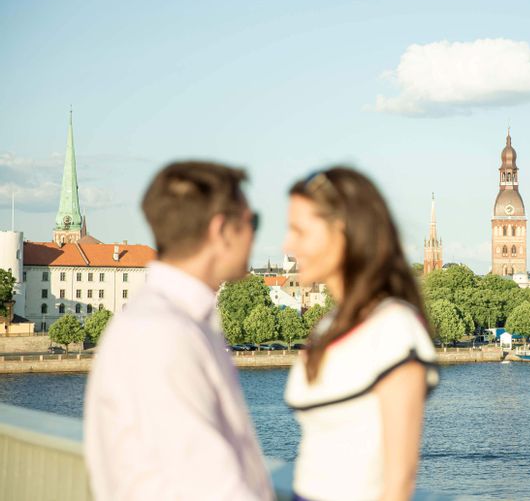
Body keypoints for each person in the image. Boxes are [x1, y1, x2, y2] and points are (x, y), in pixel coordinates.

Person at [84, 161, 274, 500]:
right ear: (221, 231)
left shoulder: (165, 320)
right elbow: (208, 486)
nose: (255, 235)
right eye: (252, 222)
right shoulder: (164, 334)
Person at [283, 167, 439, 501]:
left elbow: (399, 482)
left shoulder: (393, 329)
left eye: (300, 231)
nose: (288, 244)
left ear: (342, 231)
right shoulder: (330, 324)